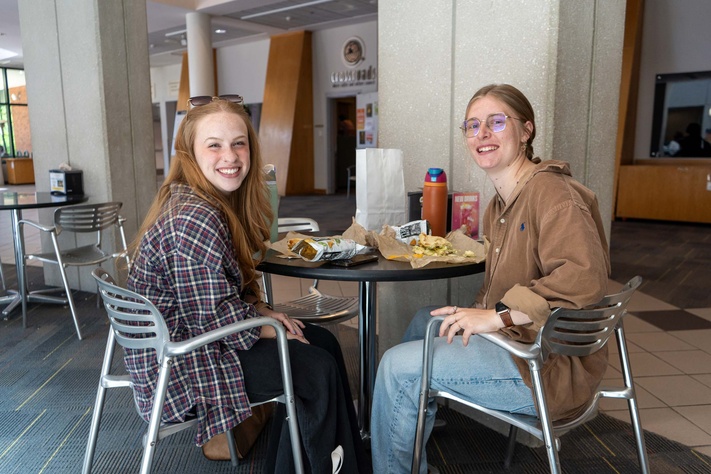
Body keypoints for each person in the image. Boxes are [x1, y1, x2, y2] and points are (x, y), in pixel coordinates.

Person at [370, 84, 611, 473]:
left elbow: (584, 279)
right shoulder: (501, 204)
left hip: (543, 369)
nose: (482, 134)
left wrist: (495, 317)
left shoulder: (552, 193)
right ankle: (406, 436)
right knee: (423, 321)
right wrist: (483, 312)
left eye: (497, 122)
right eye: (472, 125)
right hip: (524, 347)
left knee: (397, 368)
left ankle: (397, 453)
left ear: (526, 130)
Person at [126, 96, 369, 473]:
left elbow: (214, 301)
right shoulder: (194, 218)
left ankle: (332, 462)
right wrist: (270, 326)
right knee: (315, 367)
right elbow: (214, 321)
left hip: (191, 344)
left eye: (239, 143)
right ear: (190, 153)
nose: (231, 155)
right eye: (215, 145)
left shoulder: (199, 200)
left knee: (322, 342)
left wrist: (266, 314)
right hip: (186, 366)